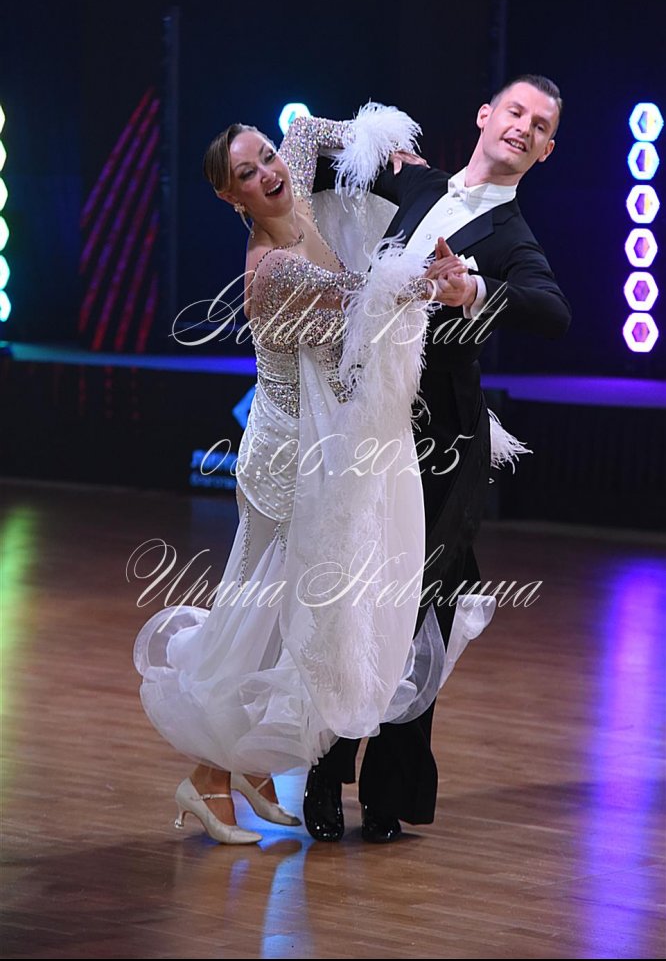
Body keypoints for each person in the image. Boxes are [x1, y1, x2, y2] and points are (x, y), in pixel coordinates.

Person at [133, 106, 483, 845]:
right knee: (259, 620)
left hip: (316, 441)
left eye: (264, 155)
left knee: (276, 620)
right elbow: (364, 299)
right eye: (248, 173)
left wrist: (379, 144)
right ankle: (208, 780)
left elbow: (312, 131)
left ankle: (245, 770)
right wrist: (430, 279)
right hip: (287, 455)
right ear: (230, 197)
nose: (269, 171)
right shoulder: (274, 267)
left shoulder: (288, 174)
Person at [304, 74, 572, 843]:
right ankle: (324, 771)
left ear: (546, 150)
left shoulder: (513, 237)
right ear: (485, 115)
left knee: (420, 603)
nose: (523, 126)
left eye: (539, 124)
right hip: (371, 421)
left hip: (443, 440)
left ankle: (388, 790)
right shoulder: (419, 184)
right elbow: (310, 153)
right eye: (514, 110)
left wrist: (473, 287)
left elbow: (552, 311)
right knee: (353, 593)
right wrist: (369, 140)